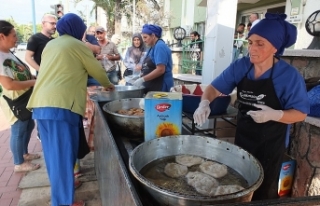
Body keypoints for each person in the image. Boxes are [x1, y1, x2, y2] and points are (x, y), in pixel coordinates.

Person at [193, 13, 310, 200]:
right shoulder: (241, 66)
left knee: (263, 193)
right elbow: (214, 88)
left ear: (275, 47)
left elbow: (301, 114)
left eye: (260, 43)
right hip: (244, 138)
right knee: (239, 185)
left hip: (271, 145)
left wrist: (275, 114)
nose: (252, 49)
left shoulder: (289, 76)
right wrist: (204, 103)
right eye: (250, 42)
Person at [26, 13, 115, 206]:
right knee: (63, 156)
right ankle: (63, 202)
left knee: (54, 156)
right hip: (60, 107)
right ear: (77, 29)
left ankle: (63, 192)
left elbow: (65, 70)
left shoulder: (51, 44)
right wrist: (108, 85)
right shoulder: (77, 45)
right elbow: (97, 70)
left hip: (41, 105)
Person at [0, 20, 41, 173]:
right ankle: (19, 162)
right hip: (13, 101)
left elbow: (20, 72)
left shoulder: (7, 52)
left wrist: (32, 79)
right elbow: (9, 85)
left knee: (29, 125)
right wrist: (33, 83)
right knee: (18, 129)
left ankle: (24, 153)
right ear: (1, 36)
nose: (16, 38)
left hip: (24, 97)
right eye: (14, 35)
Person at [25, 14, 57, 142]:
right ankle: (41, 133)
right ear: (43, 23)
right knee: (44, 104)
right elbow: (28, 57)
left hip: (56, 78)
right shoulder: (35, 39)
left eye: (55, 24)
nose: (55, 26)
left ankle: (52, 131)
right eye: (52, 23)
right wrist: (42, 71)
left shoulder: (55, 40)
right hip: (43, 79)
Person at [132, 24, 174, 93]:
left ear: (153, 36)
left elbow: (160, 70)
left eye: (145, 37)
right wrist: (141, 75)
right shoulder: (152, 47)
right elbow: (150, 66)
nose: (144, 40)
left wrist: (143, 79)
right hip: (153, 85)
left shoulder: (160, 47)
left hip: (161, 85)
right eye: (143, 38)